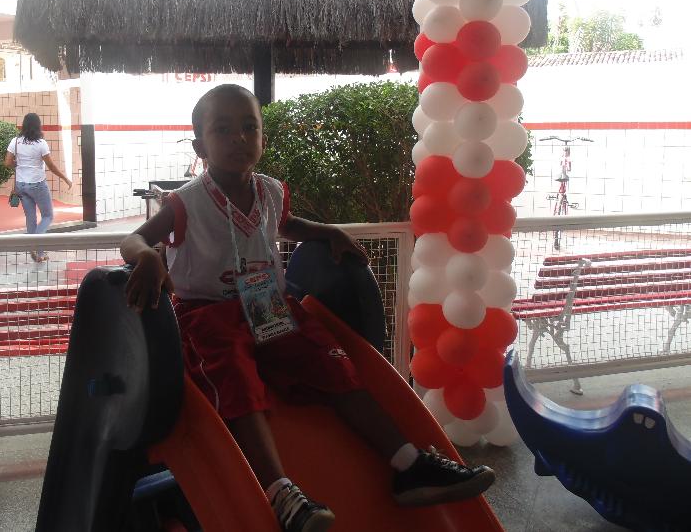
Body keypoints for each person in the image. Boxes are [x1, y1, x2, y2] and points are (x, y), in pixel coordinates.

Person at [120, 84, 494, 532]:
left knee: (329, 360)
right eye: (223, 129)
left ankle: (408, 463)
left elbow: (287, 225)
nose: (239, 137)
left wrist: (327, 232)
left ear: (263, 137)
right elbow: (135, 238)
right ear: (200, 146)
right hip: (209, 313)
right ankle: (279, 490)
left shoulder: (270, 191)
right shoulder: (186, 202)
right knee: (233, 374)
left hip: (267, 306)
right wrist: (147, 257)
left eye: (250, 127)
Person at [4, 112, 72, 262]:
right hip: (37, 184)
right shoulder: (41, 143)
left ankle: (38, 253)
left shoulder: (15, 141)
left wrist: (20, 165)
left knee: (31, 217)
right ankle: (36, 244)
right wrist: (65, 178)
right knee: (48, 216)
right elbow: (51, 166)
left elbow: (7, 162)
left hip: (21, 185)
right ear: (37, 125)